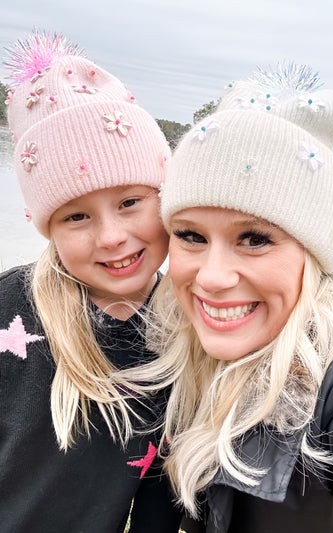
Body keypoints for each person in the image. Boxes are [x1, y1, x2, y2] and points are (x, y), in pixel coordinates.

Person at [147, 64, 333, 532]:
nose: (214, 277)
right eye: (189, 235)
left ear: (315, 255)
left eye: (255, 239)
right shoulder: (178, 344)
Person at [0, 31, 180, 533]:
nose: (111, 237)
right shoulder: (8, 305)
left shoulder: (190, 328)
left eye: (130, 202)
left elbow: (163, 493)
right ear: (48, 229)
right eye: (76, 217)